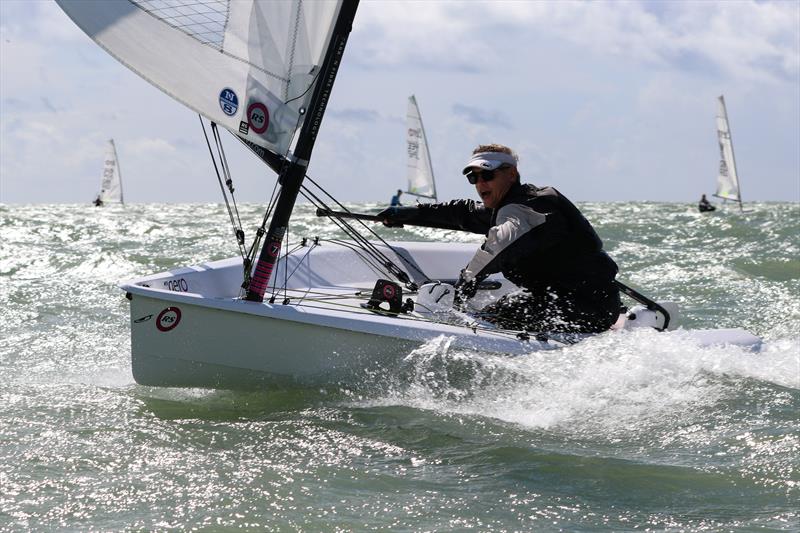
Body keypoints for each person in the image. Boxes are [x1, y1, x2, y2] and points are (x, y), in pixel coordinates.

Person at [377, 144, 621, 334]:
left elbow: (499, 244)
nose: (481, 183)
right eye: (474, 177)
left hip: (585, 307)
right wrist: (405, 213)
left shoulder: (530, 207)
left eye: (488, 175)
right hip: (555, 299)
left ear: (511, 174)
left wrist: (465, 284)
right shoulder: (507, 206)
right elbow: (462, 212)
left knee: (487, 321)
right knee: (491, 316)